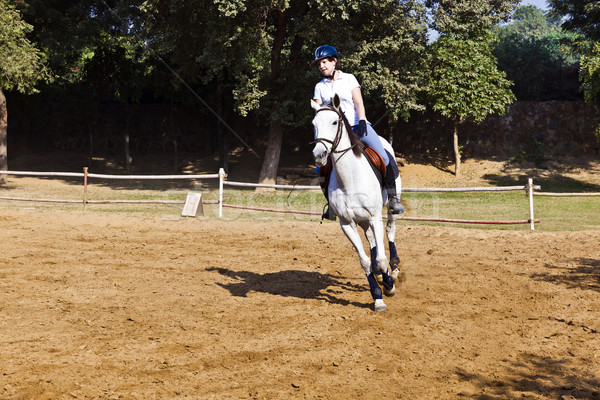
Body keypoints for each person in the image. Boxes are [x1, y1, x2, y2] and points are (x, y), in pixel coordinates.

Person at [311, 44, 403, 219]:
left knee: (383, 156)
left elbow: (358, 102)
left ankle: (393, 198)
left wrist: (362, 121)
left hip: (357, 125)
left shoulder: (349, 79)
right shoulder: (319, 87)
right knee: (319, 168)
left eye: (324, 62)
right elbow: (318, 110)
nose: (321, 66)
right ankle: (331, 206)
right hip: (335, 134)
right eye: (319, 64)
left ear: (334, 61)